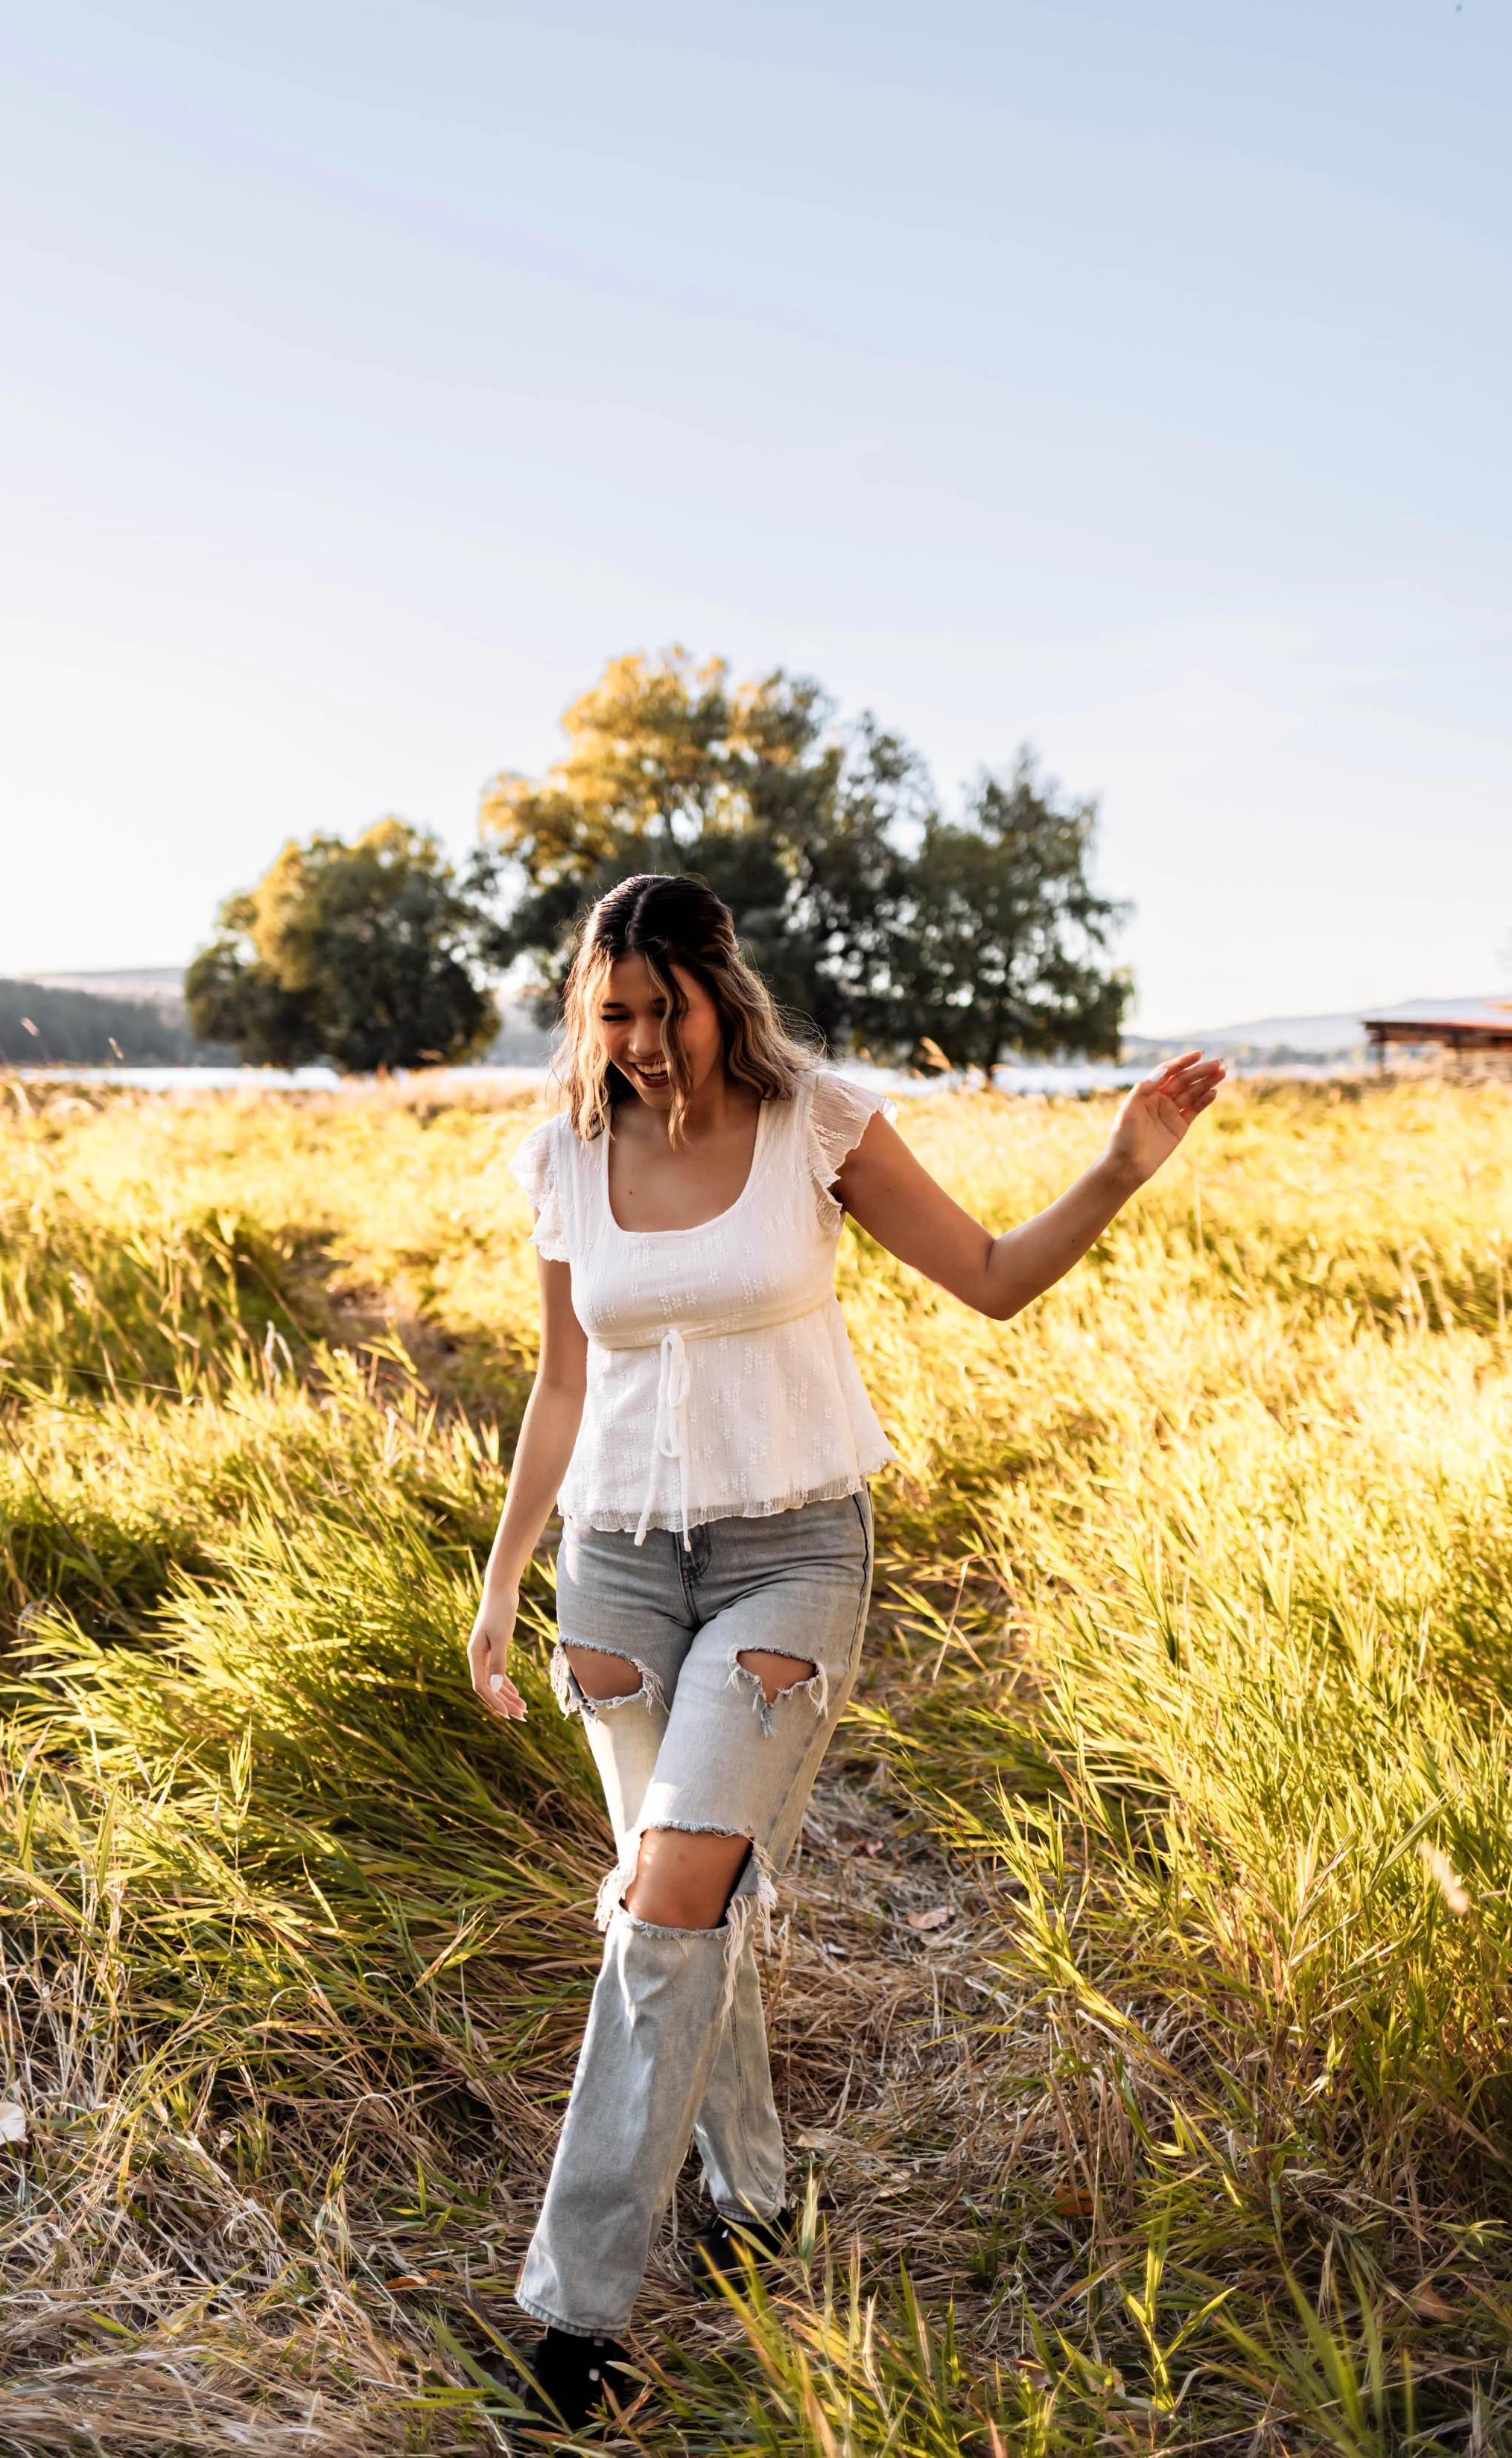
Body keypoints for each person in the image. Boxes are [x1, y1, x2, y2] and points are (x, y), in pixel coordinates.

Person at [466, 873, 1223, 2431]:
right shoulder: (566, 1153)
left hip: (788, 1552)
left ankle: (573, 2308)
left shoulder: (817, 1124)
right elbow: (558, 1384)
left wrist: (1117, 1166)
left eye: (660, 1012)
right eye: (609, 1017)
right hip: (612, 1567)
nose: (638, 1045)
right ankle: (747, 2199)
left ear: (715, 994)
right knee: (681, 1915)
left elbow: (996, 1281)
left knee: (671, 1883)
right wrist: (502, 1582)